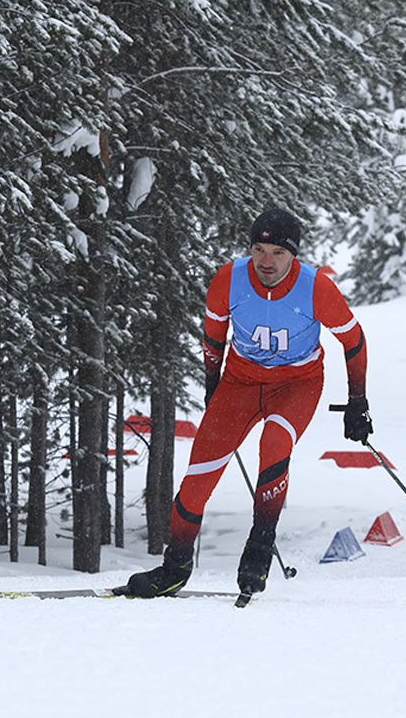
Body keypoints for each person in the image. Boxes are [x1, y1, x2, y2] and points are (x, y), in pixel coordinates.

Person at [123, 209, 372, 599]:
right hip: (239, 383)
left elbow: (353, 340)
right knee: (198, 478)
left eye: (277, 252)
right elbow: (213, 337)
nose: (266, 261)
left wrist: (357, 400)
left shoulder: (316, 288)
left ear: (293, 255)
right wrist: (213, 384)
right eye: (259, 250)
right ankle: (175, 568)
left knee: (274, 442)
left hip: (297, 384)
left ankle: (259, 550)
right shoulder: (229, 279)